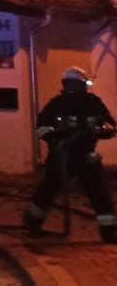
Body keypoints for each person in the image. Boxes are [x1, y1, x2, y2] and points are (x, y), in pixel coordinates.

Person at [23, 67, 117, 242]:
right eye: (72, 84)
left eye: (78, 85)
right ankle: (32, 223)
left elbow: (110, 124)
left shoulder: (94, 103)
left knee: (100, 194)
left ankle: (109, 231)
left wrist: (102, 130)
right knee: (48, 190)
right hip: (61, 156)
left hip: (87, 156)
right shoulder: (57, 104)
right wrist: (55, 140)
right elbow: (41, 127)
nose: (75, 88)